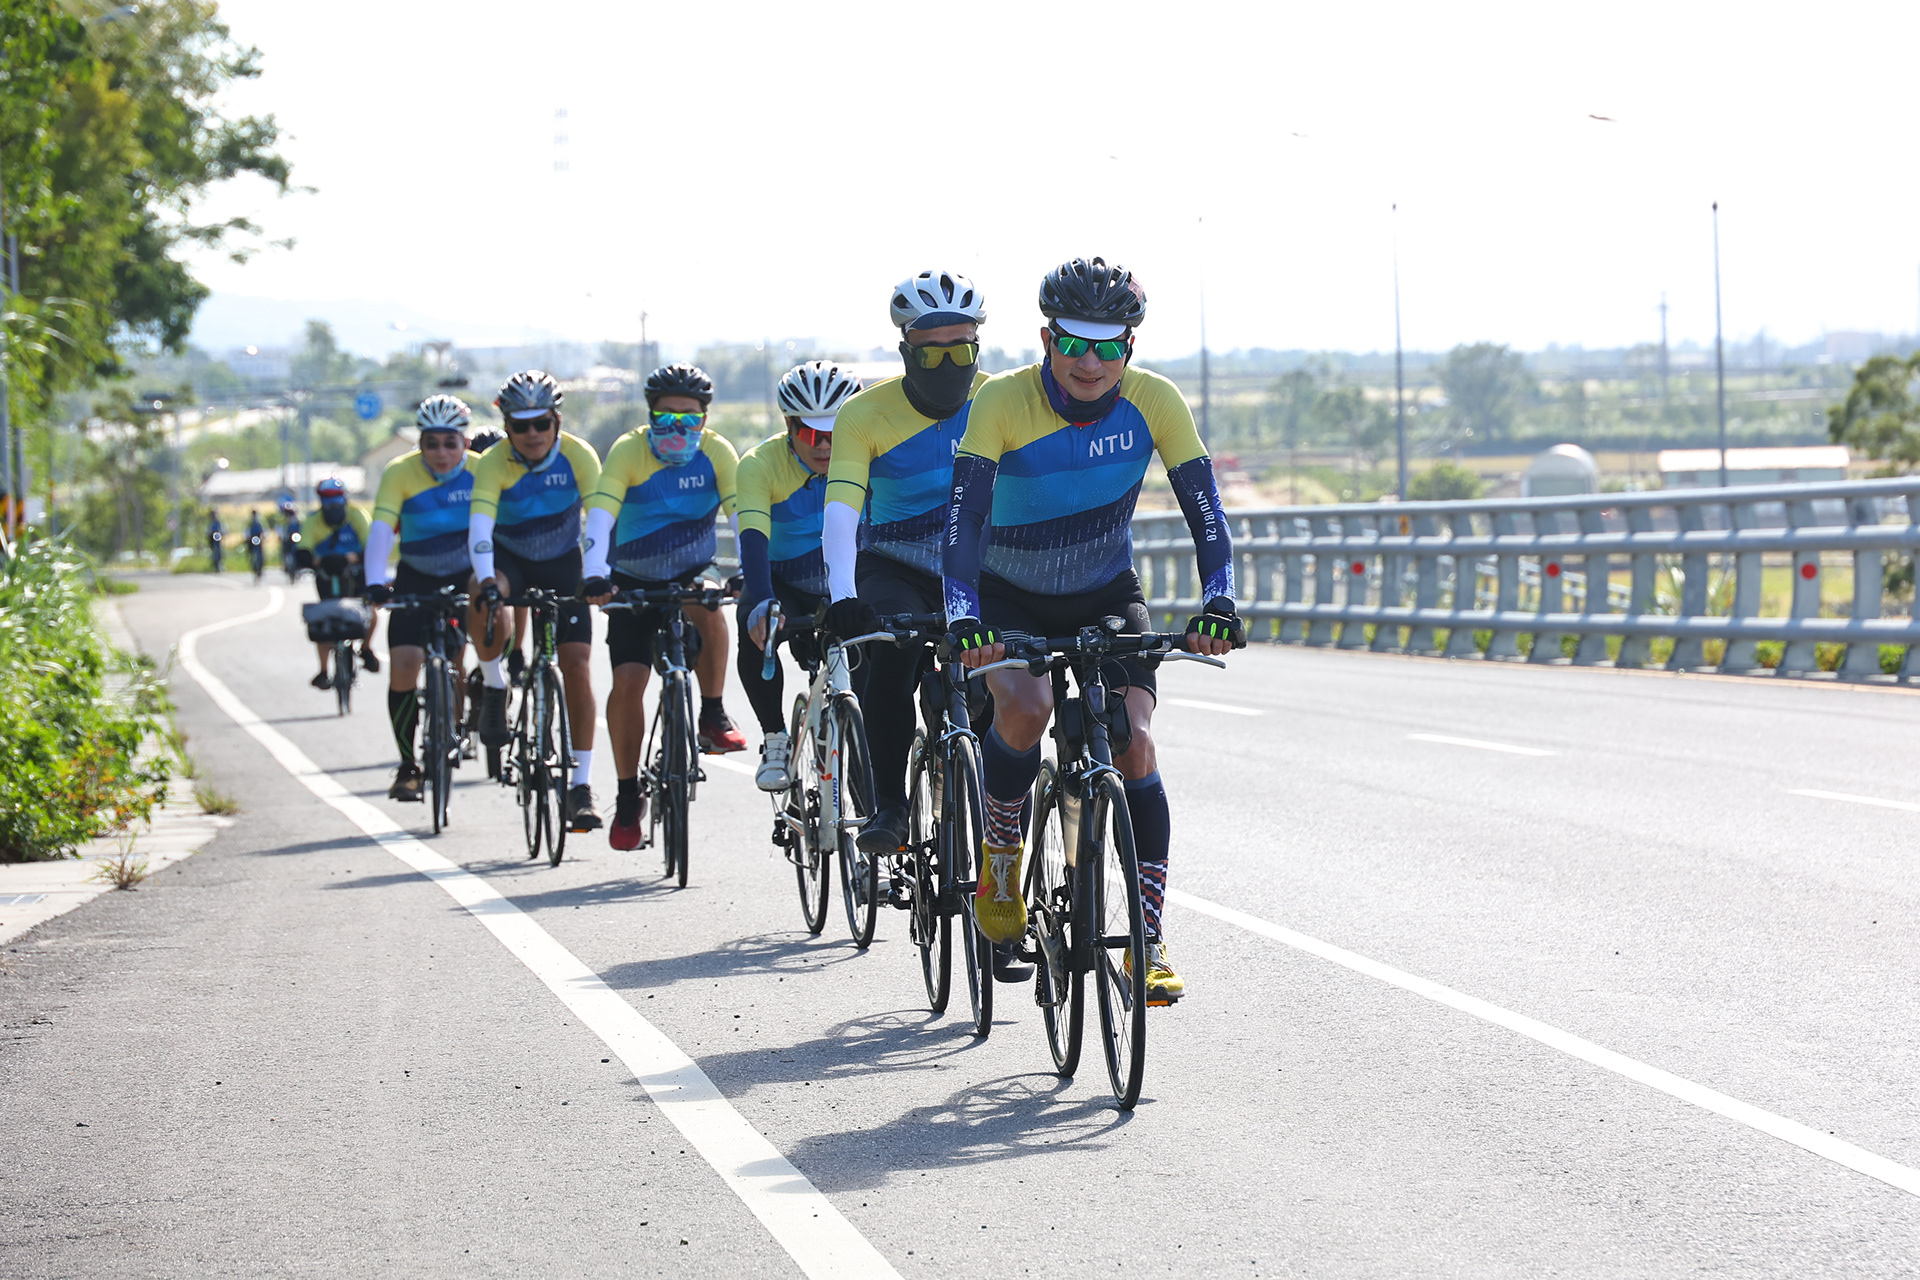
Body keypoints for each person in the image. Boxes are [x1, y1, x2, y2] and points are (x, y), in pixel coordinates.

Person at [941, 256, 1245, 1005]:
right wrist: (964, 616)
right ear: (1046, 338)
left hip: (1107, 592)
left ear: (1129, 350)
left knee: (1136, 741)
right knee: (1027, 708)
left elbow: (1206, 515)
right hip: (1010, 596)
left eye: (1109, 346)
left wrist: (1219, 600)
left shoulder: (1155, 402)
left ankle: (1148, 940)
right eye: (1074, 342)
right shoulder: (1002, 403)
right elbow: (964, 521)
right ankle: (1004, 849)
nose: (1089, 362)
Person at [820, 270, 991, 858]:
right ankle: (890, 805)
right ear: (905, 351)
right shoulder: (864, 415)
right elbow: (840, 512)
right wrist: (843, 595)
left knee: (995, 680)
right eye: (931, 351)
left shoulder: (1002, 399)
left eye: (962, 349)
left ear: (979, 348)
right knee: (890, 662)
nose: (948, 363)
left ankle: (989, 811)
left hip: (977, 569)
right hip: (895, 567)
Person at [580, 363, 743, 851]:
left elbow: (742, 514)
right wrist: (595, 573)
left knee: (710, 607)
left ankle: (712, 714)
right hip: (631, 581)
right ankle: (628, 795)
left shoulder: (716, 452)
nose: (677, 428)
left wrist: (753, 569)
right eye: (665, 418)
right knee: (629, 682)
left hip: (694, 572)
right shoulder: (629, 450)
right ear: (650, 416)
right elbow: (601, 517)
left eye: (689, 419)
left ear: (705, 419)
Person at [468, 370, 605, 833]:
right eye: (519, 425)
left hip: (563, 561)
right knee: (481, 593)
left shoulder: (578, 455)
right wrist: (487, 579)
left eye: (540, 424)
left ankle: (581, 784)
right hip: (511, 559)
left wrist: (597, 574)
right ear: (506, 427)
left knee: (579, 667)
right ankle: (493, 683)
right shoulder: (492, 462)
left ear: (556, 421)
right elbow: (481, 529)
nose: (531, 434)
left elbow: (600, 520)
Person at [737, 360, 861, 792]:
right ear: (790, 426)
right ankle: (774, 738)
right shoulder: (760, 464)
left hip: (849, 581)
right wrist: (763, 602)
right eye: (812, 434)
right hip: (785, 583)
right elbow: (752, 541)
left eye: (836, 433)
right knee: (755, 621)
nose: (825, 445)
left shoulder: (872, 454)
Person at [364, 394, 480, 802]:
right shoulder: (400, 473)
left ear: (465, 442)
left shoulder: (483, 472)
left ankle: (482, 701)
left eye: (450, 443)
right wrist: (376, 582)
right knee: (405, 665)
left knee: (459, 657)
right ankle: (407, 764)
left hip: (466, 575)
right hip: (416, 574)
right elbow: (381, 530)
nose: (441, 453)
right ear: (420, 445)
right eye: (432, 443)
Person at [304, 475, 377, 689]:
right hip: (326, 573)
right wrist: (317, 561)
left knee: (368, 608)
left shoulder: (357, 515)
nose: (332, 503)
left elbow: (370, 545)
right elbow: (304, 549)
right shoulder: (313, 521)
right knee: (324, 616)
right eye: (327, 499)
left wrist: (352, 558)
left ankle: (366, 648)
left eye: (336, 498)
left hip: (355, 571)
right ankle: (324, 670)